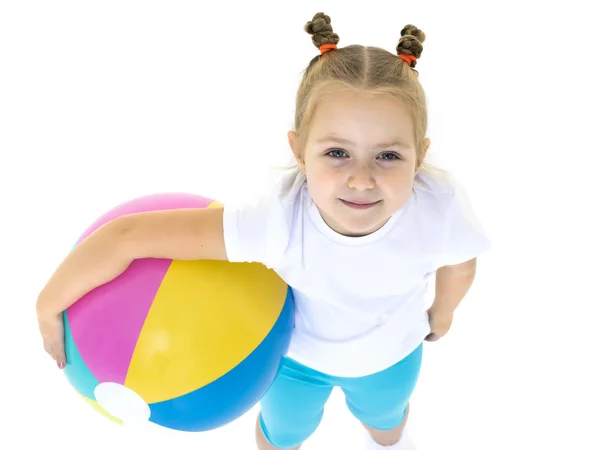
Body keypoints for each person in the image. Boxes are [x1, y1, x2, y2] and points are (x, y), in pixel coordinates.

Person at [36, 12, 491, 450]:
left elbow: (461, 262)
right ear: (298, 149)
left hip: (392, 358)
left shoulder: (438, 205)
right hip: (294, 364)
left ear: (420, 153)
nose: (361, 178)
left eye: (388, 156)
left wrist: (443, 313)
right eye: (337, 153)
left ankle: (386, 442)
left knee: (387, 419)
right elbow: (128, 237)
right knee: (282, 434)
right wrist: (48, 302)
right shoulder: (277, 222)